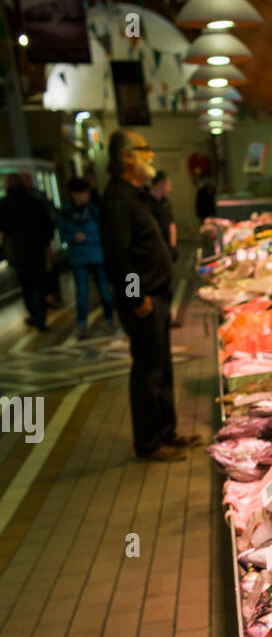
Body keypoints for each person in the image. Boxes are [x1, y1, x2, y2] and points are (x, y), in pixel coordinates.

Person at [100, 129, 199, 463]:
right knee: (148, 372)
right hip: (144, 302)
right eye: (145, 149)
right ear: (127, 156)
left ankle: (166, 432)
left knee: (162, 369)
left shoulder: (135, 195)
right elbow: (118, 257)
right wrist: (135, 298)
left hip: (157, 296)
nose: (152, 155)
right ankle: (149, 443)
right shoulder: (117, 199)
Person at [58, 175, 114, 340]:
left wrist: (89, 239)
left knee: (104, 289)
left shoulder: (94, 209)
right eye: (83, 193)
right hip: (78, 257)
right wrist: (73, 237)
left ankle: (109, 319)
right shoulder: (66, 211)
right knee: (82, 292)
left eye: (87, 193)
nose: (86, 196)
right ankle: (82, 324)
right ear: (74, 194)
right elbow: (62, 235)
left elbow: (105, 231)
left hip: (97, 254)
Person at [0, 173, 56, 331]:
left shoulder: (5, 203)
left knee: (27, 286)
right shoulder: (34, 201)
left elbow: (3, 227)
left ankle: (35, 315)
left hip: (18, 253)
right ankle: (40, 318)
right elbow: (47, 225)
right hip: (36, 250)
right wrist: (46, 244)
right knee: (38, 285)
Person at [148, 171, 178, 262]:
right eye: (168, 185)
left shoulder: (165, 201)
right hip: (156, 251)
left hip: (168, 248)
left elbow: (171, 223)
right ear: (161, 184)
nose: (169, 189)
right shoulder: (146, 203)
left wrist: (172, 247)